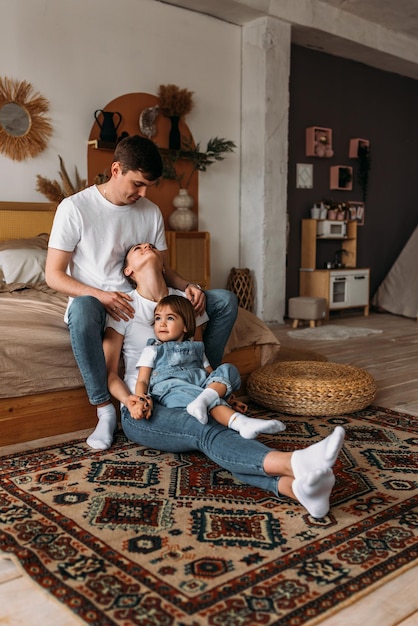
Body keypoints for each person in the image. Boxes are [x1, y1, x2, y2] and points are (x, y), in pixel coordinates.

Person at [103, 241, 346, 519]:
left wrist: (223, 396)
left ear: (165, 264)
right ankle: (295, 462)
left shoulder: (186, 303)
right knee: (203, 427)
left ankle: (298, 489)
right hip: (145, 408)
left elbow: (195, 361)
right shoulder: (122, 306)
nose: (146, 244)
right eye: (137, 248)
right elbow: (110, 374)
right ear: (128, 270)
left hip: (191, 392)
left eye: (150, 244)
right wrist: (130, 400)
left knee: (215, 426)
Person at [45, 135, 238, 451]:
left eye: (149, 186)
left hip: (152, 297)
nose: (143, 193)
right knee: (82, 309)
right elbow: (53, 275)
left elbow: (164, 269)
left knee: (224, 301)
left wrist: (189, 286)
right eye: (137, 184)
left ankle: (201, 385)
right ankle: (104, 409)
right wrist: (103, 296)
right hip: (98, 302)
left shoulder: (150, 211)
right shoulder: (75, 208)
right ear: (116, 169)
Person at [133, 293, 286, 439]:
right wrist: (141, 400)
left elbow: (212, 374)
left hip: (202, 386)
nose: (162, 323)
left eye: (170, 318)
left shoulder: (196, 348)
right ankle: (240, 422)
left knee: (228, 369)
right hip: (173, 390)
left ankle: (204, 400)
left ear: (186, 326)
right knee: (199, 396)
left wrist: (228, 397)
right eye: (158, 318)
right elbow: (143, 381)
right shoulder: (153, 349)